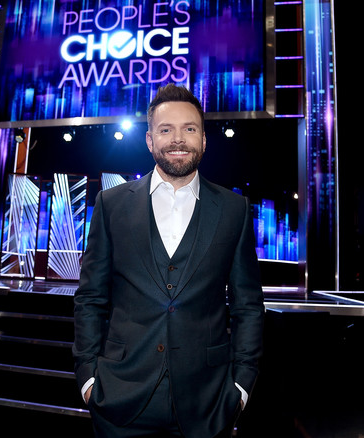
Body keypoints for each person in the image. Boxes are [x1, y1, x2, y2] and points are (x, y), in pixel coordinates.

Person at [72, 84, 264, 438]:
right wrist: (87, 377)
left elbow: (248, 305)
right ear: (149, 140)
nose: (178, 139)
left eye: (189, 128)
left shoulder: (234, 209)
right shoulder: (111, 204)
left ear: (203, 139)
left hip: (208, 402)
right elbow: (90, 297)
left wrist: (241, 385)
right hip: (118, 397)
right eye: (166, 129)